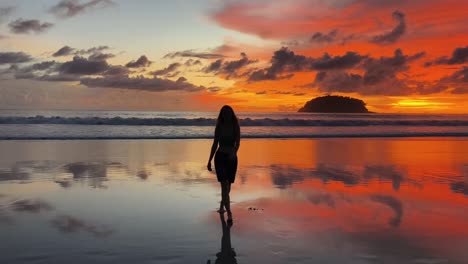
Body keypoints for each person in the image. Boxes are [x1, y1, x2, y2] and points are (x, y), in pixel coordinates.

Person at [207, 105, 240, 224]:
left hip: (232, 158)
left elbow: (238, 143)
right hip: (220, 157)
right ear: (222, 114)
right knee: (224, 185)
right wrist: (209, 160)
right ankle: (229, 213)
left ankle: (222, 204)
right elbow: (215, 144)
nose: (226, 114)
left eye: (228, 112)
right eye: (224, 112)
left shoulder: (235, 125)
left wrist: (234, 153)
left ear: (232, 114)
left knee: (228, 186)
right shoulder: (219, 126)